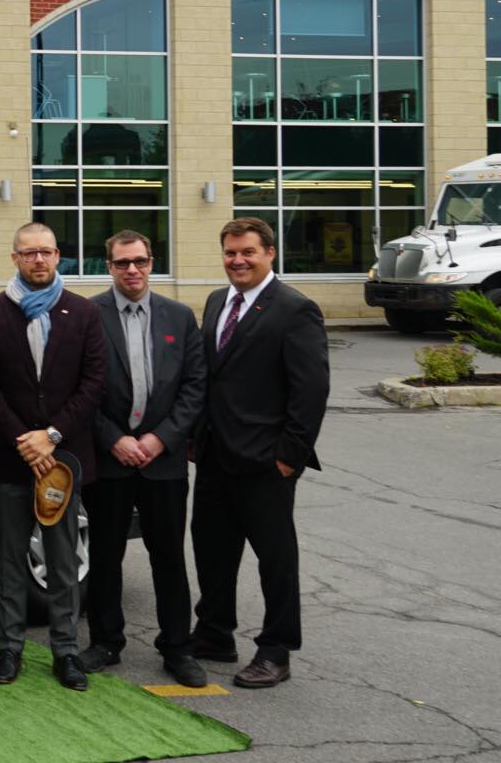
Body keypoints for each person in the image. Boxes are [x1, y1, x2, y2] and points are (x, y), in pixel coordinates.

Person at [190, 216, 328, 690]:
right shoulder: (216, 301)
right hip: (214, 457)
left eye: (247, 251)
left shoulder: (295, 309)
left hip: (266, 462)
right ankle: (213, 634)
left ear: (270, 253)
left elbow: (310, 392)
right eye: (230, 252)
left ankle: (276, 649)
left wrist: (289, 456)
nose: (238, 260)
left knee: (275, 560)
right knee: (211, 552)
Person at [0, 221, 105, 691]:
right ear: (15, 258)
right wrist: (24, 441)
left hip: (63, 461)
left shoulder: (84, 313)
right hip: (12, 459)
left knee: (63, 560)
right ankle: (10, 648)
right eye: (29, 253)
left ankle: (66, 650)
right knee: (8, 558)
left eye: (47, 252)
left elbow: (93, 385)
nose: (39, 260)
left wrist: (51, 435)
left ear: (58, 256)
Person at [82, 230, 208, 688]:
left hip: (163, 461)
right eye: (121, 263)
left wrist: (161, 439)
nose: (131, 270)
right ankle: (104, 642)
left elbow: (196, 387)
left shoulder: (179, 315)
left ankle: (177, 647)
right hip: (110, 458)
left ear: (151, 262)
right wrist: (113, 438)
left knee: (168, 557)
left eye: (139, 261)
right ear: (108, 266)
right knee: (106, 554)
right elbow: (80, 390)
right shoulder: (88, 316)